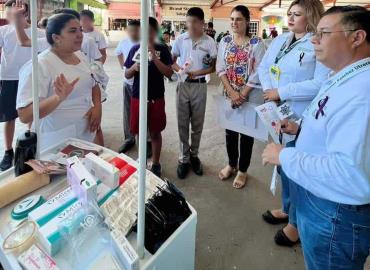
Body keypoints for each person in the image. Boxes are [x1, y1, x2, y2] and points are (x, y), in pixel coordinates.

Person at [262, 6, 370, 269]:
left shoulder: (362, 93)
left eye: (323, 33)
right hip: (325, 204)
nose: (314, 39)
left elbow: (349, 173)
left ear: (356, 38)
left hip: (335, 214)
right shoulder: (345, 74)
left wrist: (284, 155)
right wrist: (301, 130)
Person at [258, 0, 329, 247]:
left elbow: (320, 83)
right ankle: (288, 209)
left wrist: (282, 91)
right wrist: (270, 91)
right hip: (278, 110)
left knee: (297, 171)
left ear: (309, 16)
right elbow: (264, 66)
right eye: (289, 13)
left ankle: (296, 225)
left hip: (302, 115)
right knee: (283, 166)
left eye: (297, 14)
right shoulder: (280, 40)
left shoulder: (316, 43)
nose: (290, 18)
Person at [16, 14, 102, 149]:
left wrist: (97, 107)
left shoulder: (80, 55)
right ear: (56, 38)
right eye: (73, 31)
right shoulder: (39, 65)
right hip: (56, 140)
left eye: (80, 29)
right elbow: (25, 115)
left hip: (85, 133)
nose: (80, 35)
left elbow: (94, 83)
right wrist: (57, 98)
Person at [216, 5, 266, 189]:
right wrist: (231, 91)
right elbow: (220, 67)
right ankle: (231, 164)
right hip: (228, 94)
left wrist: (242, 94)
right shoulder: (225, 41)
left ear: (247, 22)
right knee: (230, 132)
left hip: (249, 96)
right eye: (232, 19)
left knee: (246, 135)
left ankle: (243, 170)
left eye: (238, 19)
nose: (234, 23)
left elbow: (260, 71)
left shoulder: (257, 44)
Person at [171, 7, 217, 179]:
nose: (190, 26)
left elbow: (212, 66)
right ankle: (183, 159)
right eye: (188, 22)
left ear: (202, 24)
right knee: (182, 123)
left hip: (199, 86)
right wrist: (181, 70)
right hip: (183, 86)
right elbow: (172, 60)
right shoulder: (180, 39)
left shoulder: (209, 42)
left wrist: (196, 73)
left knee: (197, 124)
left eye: (194, 22)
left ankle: (194, 156)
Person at [124, 17, 173, 177]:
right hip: (138, 96)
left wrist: (153, 55)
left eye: (151, 30)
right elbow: (127, 74)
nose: (147, 34)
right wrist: (133, 67)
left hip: (157, 96)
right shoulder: (135, 49)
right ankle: (142, 160)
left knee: (155, 132)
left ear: (155, 31)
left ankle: (156, 163)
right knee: (139, 132)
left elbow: (169, 73)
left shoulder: (163, 48)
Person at [0, 0, 44, 171]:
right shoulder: (3, 31)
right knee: (8, 117)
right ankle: (8, 151)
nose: (11, 17)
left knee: (30, 115)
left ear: (25, 14)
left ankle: (29, 147)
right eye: (9, 14)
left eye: (15, 14)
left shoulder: (38, 33)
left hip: (30, 79)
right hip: (8, 78)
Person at [13, 5, 102, 62]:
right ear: (56, 38)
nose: (79, 35)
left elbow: (98, 59)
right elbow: (24, 42)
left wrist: (94, 73)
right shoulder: (48, 41)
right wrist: (17, 18)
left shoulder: (87, 41)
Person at [115, 19, 140, 154]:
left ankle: (146, 140)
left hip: (142, 84)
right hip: (128, 82)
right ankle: (129, 139)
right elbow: (118, 53)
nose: (133, 33)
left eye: (136, 30)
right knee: (127, 111)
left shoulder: (144, 42)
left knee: (143, 112)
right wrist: (123, 67)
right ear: (127, 31)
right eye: (131, 30)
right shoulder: (124, 42)